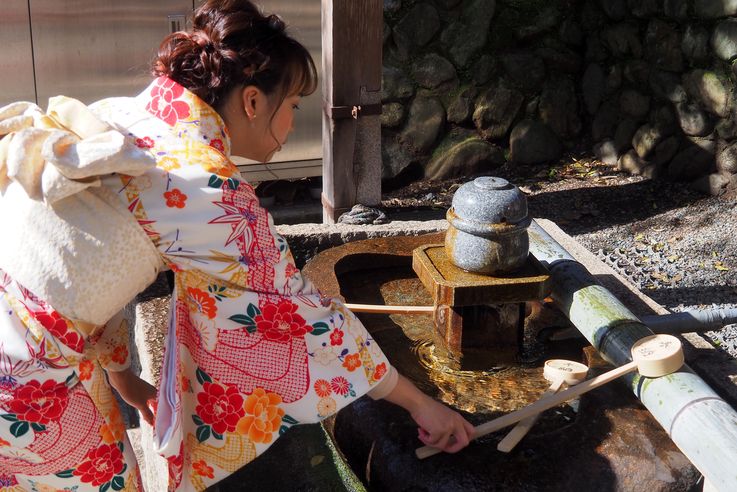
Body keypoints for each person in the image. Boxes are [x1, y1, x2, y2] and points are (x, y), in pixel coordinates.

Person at [0, 0, 474, 490]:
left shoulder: (123, 116)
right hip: (26, 374)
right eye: (292, 106)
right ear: (252, 101)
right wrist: (421, 403)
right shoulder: (201, 181)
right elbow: (298, 314)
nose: (290, 127)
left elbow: (78, 262)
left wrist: (122, 376)